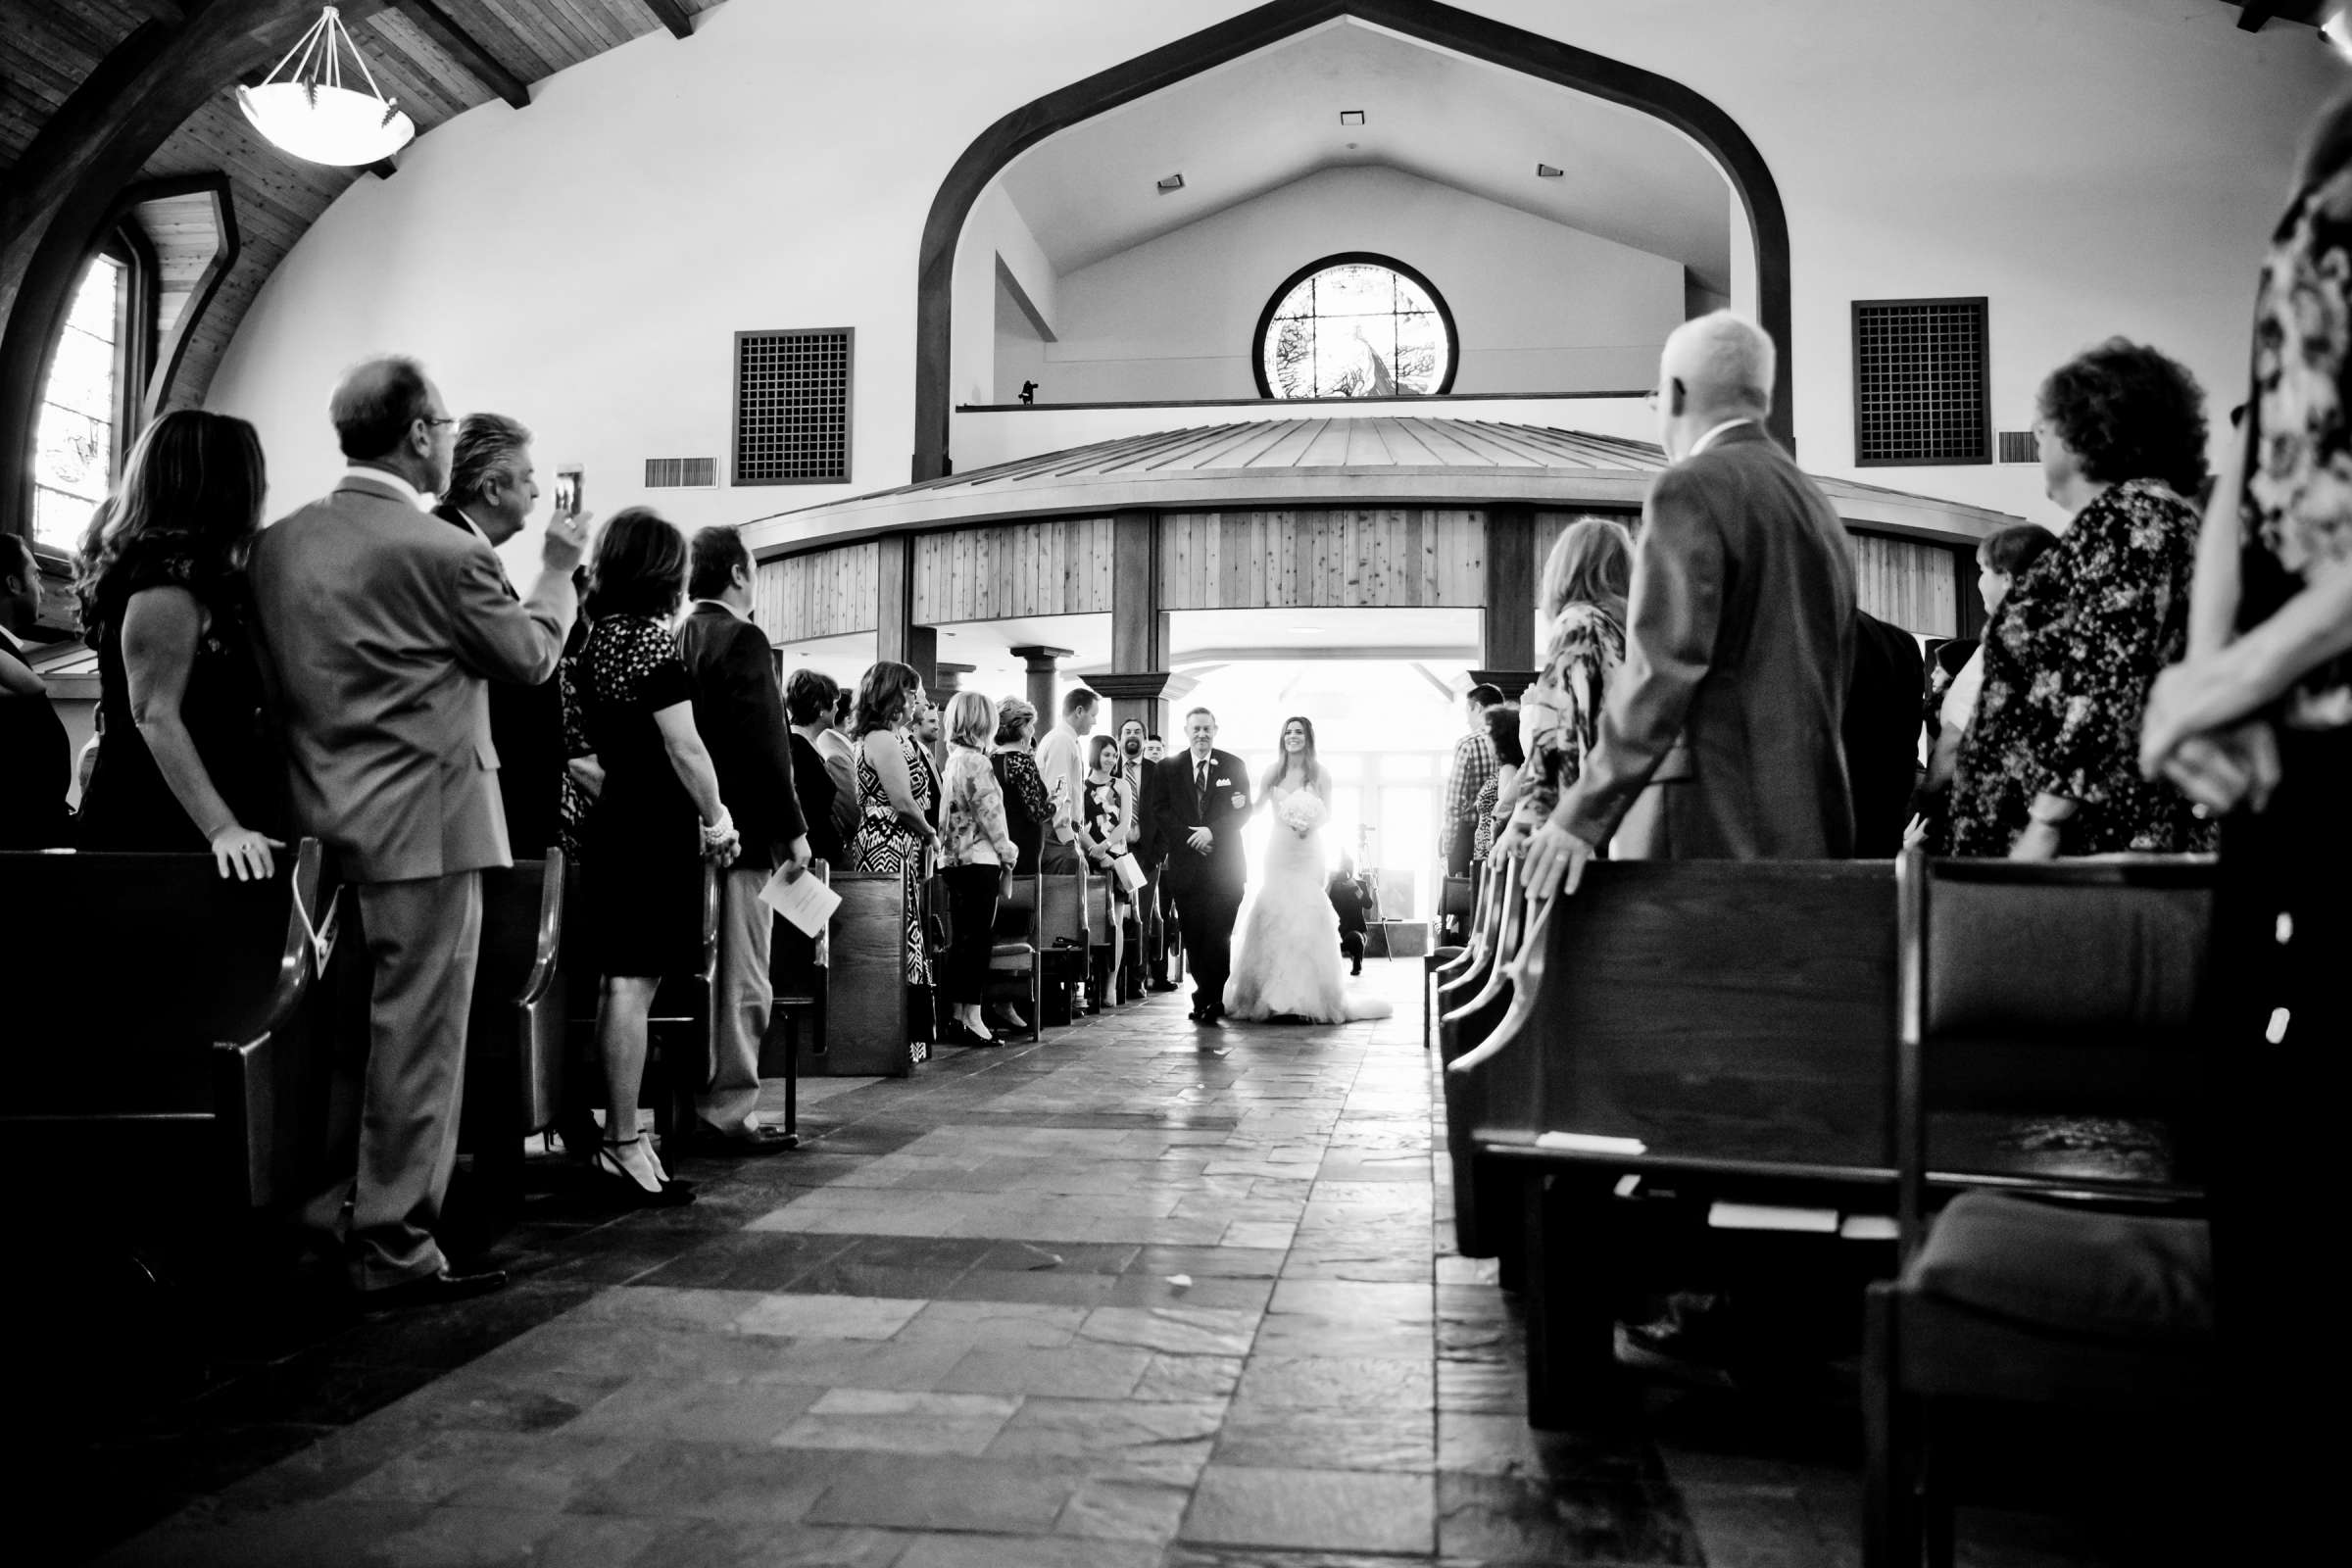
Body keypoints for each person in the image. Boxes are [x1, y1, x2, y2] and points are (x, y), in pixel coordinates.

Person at [249, 356, 585, 1305]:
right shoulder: (446, 553)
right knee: (418, 1046)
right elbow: (528, 657)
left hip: (316, 831)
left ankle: (326, 1215)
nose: (443, 435)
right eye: (438, 423)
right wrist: (556, 573)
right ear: (418, 435)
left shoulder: (281, 546)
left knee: (339, 1041)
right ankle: (394, 1244)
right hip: (431, 829)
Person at [2137, 98, 2352, 1553]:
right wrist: (2201, 689)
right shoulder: (2321, 164)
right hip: (2278, 772)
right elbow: (2252, 463)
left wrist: (2226, 680)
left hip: (2318, 733)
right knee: (2256, 1158)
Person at [1526, 313, 1857, 899]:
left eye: (1656, 398)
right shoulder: (1815, 505)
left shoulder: (1692, 486)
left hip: (1706, 815)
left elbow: (1663, 668)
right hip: (1808, 816)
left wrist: (1581, 814)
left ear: (1676, 393)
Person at [1948, 339, 2214, 859]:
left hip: (2086, 844)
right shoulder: (2131, 521)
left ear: (2086, 432)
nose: (2036, 440)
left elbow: (2111, 681)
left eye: (2042, 427)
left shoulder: (2131, 522)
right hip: (2080, 838)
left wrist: (2045, 822)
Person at [576, 510, 740, 1202]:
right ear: (664, 572)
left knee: (618, 983)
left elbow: (577, 754)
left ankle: (622, 1135)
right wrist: (717, 818)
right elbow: (684, 746)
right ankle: (622, 1140)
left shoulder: (585, 645)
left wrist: (623, 794)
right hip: (655, 829)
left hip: (609, 823)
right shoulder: (650, 644)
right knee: (632, 988)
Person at [70, 412, 282, 872]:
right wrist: (222, 828)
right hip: (158, 822)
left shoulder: (195, 572)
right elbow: (154, 715)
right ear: (217, 483)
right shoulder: (168, 580)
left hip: (190, 811)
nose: (261, 491)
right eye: (252, 475)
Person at [676, 525, 809, 1153]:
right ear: (736, 574)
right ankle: (730, 1112)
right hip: (743, 838)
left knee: (694, 975)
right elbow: (765, 747)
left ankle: (688, 1105)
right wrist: (793, 834)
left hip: (687, 833)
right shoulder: (742, 636)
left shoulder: (679, 635)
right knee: (742, 977)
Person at [1223, 716, 1393, 1023]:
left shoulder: (1320, 774)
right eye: (1288, 731)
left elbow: (1328, 812)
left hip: (1309, 849)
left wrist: (1308, 822)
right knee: (1275, 914)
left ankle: (1303, 998)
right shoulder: (1273, 771)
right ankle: (1271, 997)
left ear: (1308, 738)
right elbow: (1258, 806)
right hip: (1278, 849)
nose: (1292, 736)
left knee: (1305, 916)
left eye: (1298, 732)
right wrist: (1239, 803)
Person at [1909, 526, 2054, 848]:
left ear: (2007, 577)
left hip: (1984, 810)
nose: (1979, 582)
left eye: (1982, 570)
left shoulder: (2007, 636)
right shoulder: (2055, 631)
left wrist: (1927, 798)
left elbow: (1956, 739)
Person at [1495, 518, 1631, 858]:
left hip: (1578, 824)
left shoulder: (1578, 624)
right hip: (1620, 815)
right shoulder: (1627, 634)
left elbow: (1555, 737)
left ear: (1564, 571)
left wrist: (1521, 824)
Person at [1137, 705, 1251, 1024]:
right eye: (1196, 729)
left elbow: (1243, 810)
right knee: (1195, 936)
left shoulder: (1233, 765)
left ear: (1216, 729)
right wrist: (1190, 836)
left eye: (1207, 728)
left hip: (1225, 867)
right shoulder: (1168, 769)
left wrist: (1212, 831)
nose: (1202, 734)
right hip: (1186, 868)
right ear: (1187, 732)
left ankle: (1212, 998)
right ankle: (1206, 994)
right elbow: (1160, 810)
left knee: (1219, 935)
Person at [850, 662, 939, 1035]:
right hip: (887, 840)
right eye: (910, 691)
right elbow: (902, 802)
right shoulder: (882, 740)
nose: (915, 699)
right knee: (896, 932)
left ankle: (898, 1034)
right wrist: (930, 834)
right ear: (893, 695)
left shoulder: (886, 736)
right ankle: (893, 1033)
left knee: (902, 927)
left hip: (893, 839)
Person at [936, 689, 1017, 1049]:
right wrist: (1007, 850)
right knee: (976, 942)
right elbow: (990, 812)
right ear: (984, 722)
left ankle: (958, 1017)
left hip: (954, 859)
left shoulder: (953, 759)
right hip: (979, 858)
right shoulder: (977, 762)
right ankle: (971, 1017)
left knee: (962, 941)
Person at [0, 532, 70, 848]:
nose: (42, 588)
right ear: (13, 584)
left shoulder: (9, 651)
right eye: (35, 575)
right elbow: (32, 687)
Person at [1843, 610, 1927, 858]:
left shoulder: (1808, 638)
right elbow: (1906, 750)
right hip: (1884, 824)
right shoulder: (1900, 643)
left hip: (1828, 831)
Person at [1440, 682, 1503, 932]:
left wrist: (1448, 846)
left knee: (1463, 909)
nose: (1467, 719)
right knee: (1493, 901)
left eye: (1468, 711)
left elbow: (1454, 802)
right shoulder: (1514, 738)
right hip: (1502, 833)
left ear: (1477, 707)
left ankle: (1466, 952)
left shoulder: (1468, 744)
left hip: (1468, 836)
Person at [1114, 716, 1170, 991]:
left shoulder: (1157, 771)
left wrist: (1158, 854)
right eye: (1127, 732)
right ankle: (1114, 978)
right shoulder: (1110, 768)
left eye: (1137, 731)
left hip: (1147, 855)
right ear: (1120, 738)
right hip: (1116, 854)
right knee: (1114, 917)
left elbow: (1167, 814)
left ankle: (1136, 979)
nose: (1132, 735)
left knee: (1142, 918)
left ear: (1145, 740)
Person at [1032, 685, 1098, 872]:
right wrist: (1068, 840)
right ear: (1079, 711)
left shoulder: (1066, 739)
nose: (1094, 721)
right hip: (1056, 835)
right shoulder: (1061, 740)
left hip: (1060, 834)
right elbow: (1058, 792)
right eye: (1093, 715)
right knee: (1064, 898)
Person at [786, 668, 847, 866]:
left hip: (821, 853)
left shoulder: (809, 744)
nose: (838, 709)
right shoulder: (796, 747)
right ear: (820, 706)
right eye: (835, 703)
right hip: (806, 857)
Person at [990, 696, 1052, 875]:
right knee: (1024, 898)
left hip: (998, 840)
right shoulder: (1023, 762)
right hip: (1023, 843)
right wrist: (1058, 801)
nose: (1032, 729)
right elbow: (1037, 813)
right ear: (1020, 728)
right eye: (1029, 724)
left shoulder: (990, 759)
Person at [1470, 703, 1524, 864]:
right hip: (1488, 853)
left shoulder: (1508, 770)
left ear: (1501, 737)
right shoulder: (1506, 769)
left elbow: (1501, 817)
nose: (1485, 740)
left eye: (1487, 733)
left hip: (1493, 854)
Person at [815, 684, 861, 851]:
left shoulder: (841, 749)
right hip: (845, 852)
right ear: (849, 720)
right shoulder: (836, 756)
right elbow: (853, 812)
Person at [1329, 850, 1370, 977]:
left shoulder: (1359, 885)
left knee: (1356, 938)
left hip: (1356, 931)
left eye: (1347, 869)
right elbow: (1322, 902)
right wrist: (1330, 882)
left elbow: (1368, 904)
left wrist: (1356, 888)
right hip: (1337, 932)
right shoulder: (1334, 887)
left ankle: (1357, 962)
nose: (1345, 873)